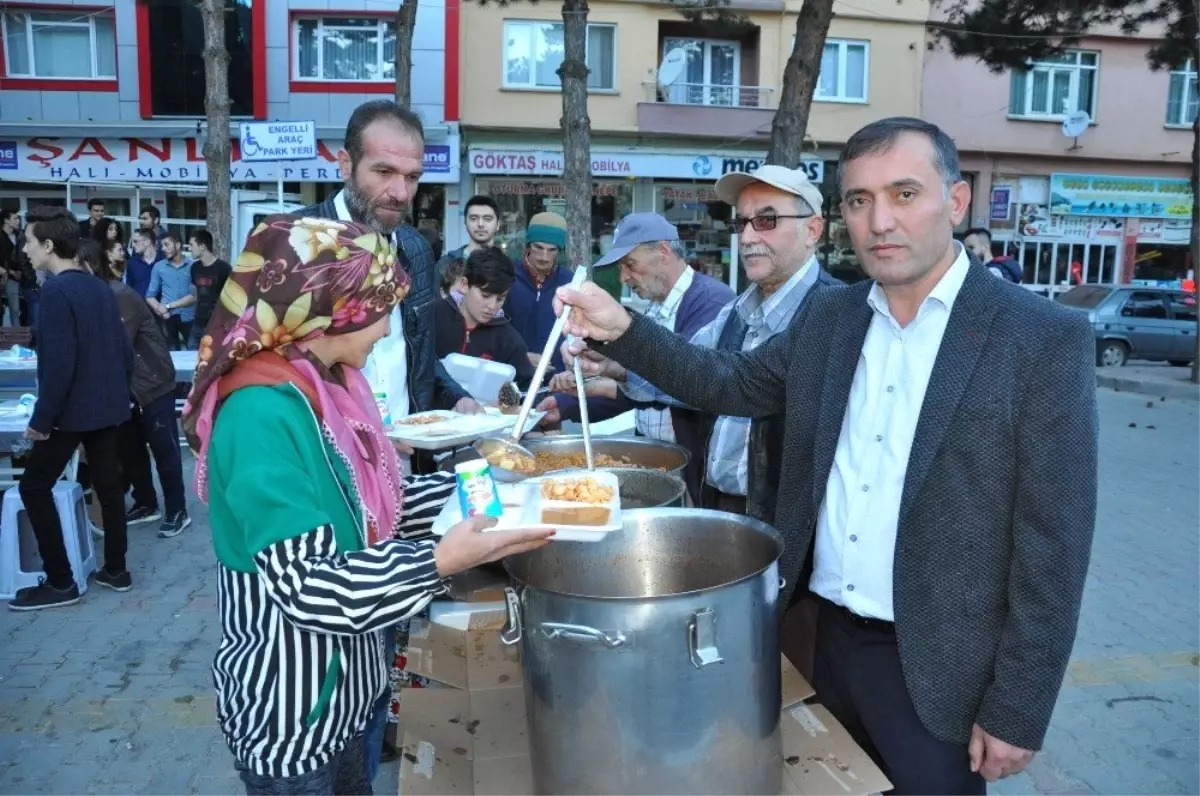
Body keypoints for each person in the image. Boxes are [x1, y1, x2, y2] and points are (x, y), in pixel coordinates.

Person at [557, 117, 1099, 795]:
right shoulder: (831, 319)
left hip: (938, 669)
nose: (880, 221)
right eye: (860, 200)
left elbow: (1055, 544)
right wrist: (624, 329)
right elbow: (731, 383)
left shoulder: (1040, 339)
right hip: (822, 640)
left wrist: (1019, 705)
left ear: (955, 203)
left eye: (905, 194)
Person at [180, 214, 552, 792]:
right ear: (330, 307)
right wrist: (438, 561)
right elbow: (310, 586)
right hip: (294, 714)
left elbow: (376, 506)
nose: (388, 329)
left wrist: (495, 490)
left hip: (352, 697)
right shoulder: (261, 415)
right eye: (381, 309)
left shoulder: (326, 386)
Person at [566, 167, 839, 515]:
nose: (749, 236)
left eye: (767, 220)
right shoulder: (736, 310)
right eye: (742, 223)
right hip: (721, 504)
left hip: (790, 527)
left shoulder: (836, 313)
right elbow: (691, 372)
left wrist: (622, 335)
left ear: (812, 230)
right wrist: (617, 357)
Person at [297, 100, 477, 421]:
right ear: (345, 164)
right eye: (384, 172)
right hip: (321, 461)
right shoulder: (292, 245)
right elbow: (262, 372)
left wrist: (454, 397)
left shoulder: (417, 251)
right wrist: (357, 437)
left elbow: (419, 354)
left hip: (407, 460)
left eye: (412, 177)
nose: (401, 193)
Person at [8, 207, 134, 611]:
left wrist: (41, 421)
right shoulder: (97, 286)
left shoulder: (57, 291)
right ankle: (116, 569)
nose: (24, 249)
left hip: (73, 411)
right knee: (109, 488)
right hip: (108, 405)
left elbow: (61, 363)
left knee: (33, 486)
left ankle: (61, 581)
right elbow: (119, 349)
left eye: (29, 241)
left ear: (48, 245)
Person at [548, 212, 731, 452]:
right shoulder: (658, 305)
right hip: (658, 451)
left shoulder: (711, 302)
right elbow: (638, 393)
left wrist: (614, 366)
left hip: (693, 462)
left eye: (630, 264)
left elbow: (684, 384)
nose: (623, 277)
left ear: (663, 252)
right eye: (621, 267)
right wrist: (568, 402)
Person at [79, 240, 190, 538]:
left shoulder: (118, 295)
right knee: (131, 449)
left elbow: (113, 347)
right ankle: (146, 502)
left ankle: (177, 510)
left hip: (153, 382)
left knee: (163, 448)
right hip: (128, 388)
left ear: (89, 266)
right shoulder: (99, 295)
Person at [434, 246, 535, 386]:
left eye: (500, 299)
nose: (492, 306)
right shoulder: (432, 316)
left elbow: (526, 386)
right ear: (464, 285)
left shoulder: (509, 340)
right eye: (485, 295)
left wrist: (507, 399)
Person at [504, 211, 573, 372]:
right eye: (538, 247)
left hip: (557, 377)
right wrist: (520, 355)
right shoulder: (507, 276)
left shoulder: (569, 282)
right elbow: (493, 330)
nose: (544, 256)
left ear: (560, 250)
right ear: (528, 245)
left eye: (552, 250)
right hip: (513, 374)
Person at [146, 232, 196, 350]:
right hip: (168, 318)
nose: (163, 249)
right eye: (162, 246)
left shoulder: (193, 266)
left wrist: (167, 306)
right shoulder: (159, 267)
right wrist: (161, 310)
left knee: (194, 354)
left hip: (189, 317)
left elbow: (193, 296)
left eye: (166, 245)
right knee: (171, 354)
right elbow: (150, 296)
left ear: (178, 245)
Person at [187, 228, 232, 350]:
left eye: (192, 244)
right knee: (191, 354)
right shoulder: (194, 268)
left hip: (217, 325)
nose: (189, 248)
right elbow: (195, 295)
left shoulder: (224, 268)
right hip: (198, 323)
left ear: (202, 246)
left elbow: (232, 299)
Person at [436, 195, 500, 279]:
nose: (480, 224)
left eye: (487, 219)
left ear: (498, 224)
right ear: (465, 224)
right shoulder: (445, 264)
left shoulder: (506, 266)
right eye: (473, 218)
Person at [1, 210, 22, 326]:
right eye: (15, 218)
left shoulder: (19, 235)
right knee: (15, 309)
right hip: (8, 278)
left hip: (24, 276)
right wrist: (11, 272)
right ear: (6, 220)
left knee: (24, 307)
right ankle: (17, 338)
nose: (18, 221)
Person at [125, 228, 159, 299]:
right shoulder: (132, 263)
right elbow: (129, 288)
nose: (133, 245)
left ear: (147, 242)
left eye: (135, 241)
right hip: (138, 306)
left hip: (160, 307)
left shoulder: (163, 261)